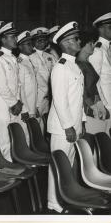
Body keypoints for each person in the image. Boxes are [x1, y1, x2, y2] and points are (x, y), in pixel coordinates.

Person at [47, 21, 86, 213]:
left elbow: (77, 99)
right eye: (75, 39)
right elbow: (60, 101)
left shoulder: (73, 66)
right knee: (58, 164)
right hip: (63, 128)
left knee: (68, 164)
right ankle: (53, 202)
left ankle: (64, 197)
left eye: (77, 38)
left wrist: (82, 122)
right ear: (65, 43)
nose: (79, 42)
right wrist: (68, 126)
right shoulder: (60, 67)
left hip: (73, 124)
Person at [0, 22, 23, 161]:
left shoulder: (12, 58)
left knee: (12, 140)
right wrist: (13, 103)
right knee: (3, 141)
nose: (15, 40)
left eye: (15, 37)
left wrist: (18, 102)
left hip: (14, 105)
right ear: (3, 39)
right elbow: (2, 86)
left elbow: (17, 84)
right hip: (4, 106)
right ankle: (3, 171)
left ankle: (10, 170)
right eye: (12, 37)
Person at [76, 42, 109, 134]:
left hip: (93, 104)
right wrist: (92, 106)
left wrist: (99, 102)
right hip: (85, 106)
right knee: (91, 138)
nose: (93, 46)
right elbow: (82, 88)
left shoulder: (87, 62)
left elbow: (93, 85)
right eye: (90, 44)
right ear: (82, 46)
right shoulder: (78, 64)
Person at [89, 12, 111, 135]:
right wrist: (101, 105)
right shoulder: (97, 50)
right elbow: (91, 82)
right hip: (106, 107)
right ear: (101, 29)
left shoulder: (108, 49)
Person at [29, 27, 56, 117]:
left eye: (43, 39)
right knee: (35, 127)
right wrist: (34, 105)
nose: (41, 41)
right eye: (38, 39)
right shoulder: (29, 57)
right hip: (37, 100)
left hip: (49, 98)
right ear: (33, 42)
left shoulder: (50, 56)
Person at [16, 30, 38, 124]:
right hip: (25, 110)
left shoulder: (29, 61)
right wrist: (24, 110)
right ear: (20, 47)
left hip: (31, 107)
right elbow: (20, 90)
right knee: (25, 136)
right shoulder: (20, 63)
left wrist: (35, 107)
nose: (32, 46)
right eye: (28, 44)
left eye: (31, 44)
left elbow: (33, 88)